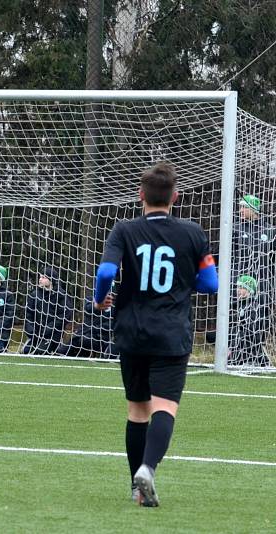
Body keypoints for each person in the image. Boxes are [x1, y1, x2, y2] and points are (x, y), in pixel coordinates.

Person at [93, 162, 218, 507]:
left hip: (132, 330)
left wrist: (98, 298)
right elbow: (211, 283)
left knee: (137, 410)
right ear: (175, 196)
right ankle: (148, 468)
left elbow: (105, 271)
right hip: (171, 332)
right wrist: (182, 282)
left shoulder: (124, 229)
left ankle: (137, 489)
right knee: (165, 407)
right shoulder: (192, 233)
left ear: (140, 195)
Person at [21, 267, 73, 355]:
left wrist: (48, 329)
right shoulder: (34, 295)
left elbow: (63, 316)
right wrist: (31, 331)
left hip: (52, 335)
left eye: (43, 277)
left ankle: (55, 347)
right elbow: (28, 315)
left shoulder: (61, 295)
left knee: (40, 352)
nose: (40, 279)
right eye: (40, 277)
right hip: (36, 335)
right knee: (26, 351)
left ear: (51, 280)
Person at [232, 194, 276, 297]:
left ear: (254, 209)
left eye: (245, 207)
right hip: (240, 284)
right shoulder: (235, 229)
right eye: (240, 207)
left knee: (260, 312)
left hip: (263, 286)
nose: (241, 210)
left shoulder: (270, 231)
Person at [228, 275, 271, 367]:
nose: (238, 290)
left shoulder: (254, 307)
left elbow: (254, 331)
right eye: (238, 287)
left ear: (250, 290)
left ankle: (256, 359)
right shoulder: (237, 305)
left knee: (239, 335)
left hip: (248, 341)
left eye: (242, 288)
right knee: (212, 335)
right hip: (238, 340)